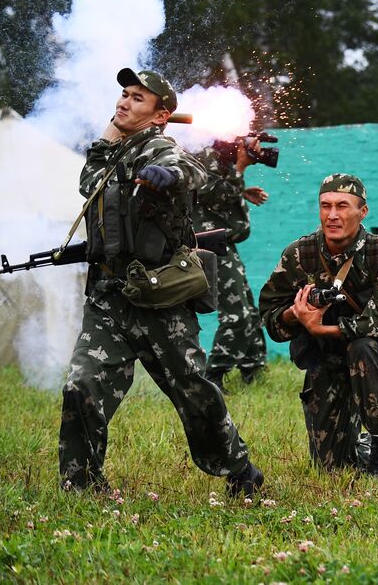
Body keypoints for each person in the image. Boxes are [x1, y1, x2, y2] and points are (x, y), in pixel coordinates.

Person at [59, 68, 263, 496]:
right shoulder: (112, 154)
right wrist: (110, 133)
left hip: (158, 297)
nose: (124, 102)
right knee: (81, 385)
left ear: (159, 115)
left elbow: (187, 168)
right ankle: (81, 487)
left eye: (137, 99)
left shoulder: (160, 147)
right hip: (109, 297)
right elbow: (87, 183)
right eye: (123, 94)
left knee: (193, 391)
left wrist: (166, 177)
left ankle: (239, 470)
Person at [258, 174, 378, 475]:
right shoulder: (299, 255)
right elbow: (270, 317)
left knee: (364, 347)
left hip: (375, 357)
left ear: (362, 212)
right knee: (332, 466)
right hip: (325, 359)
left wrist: (322, 328)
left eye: (342, 206)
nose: (332, 215)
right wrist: (297, 313)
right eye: (325, 206)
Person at [194, 138, 268, 385]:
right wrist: (240, 168)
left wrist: (242, 190)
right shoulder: (205, 154)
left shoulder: (220, 159)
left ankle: (252, 370)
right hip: (211, 245)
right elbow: (210, 195)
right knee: (237, 316)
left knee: (249, 310)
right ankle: (213, 376)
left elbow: (218, 189)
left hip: (225, 246)